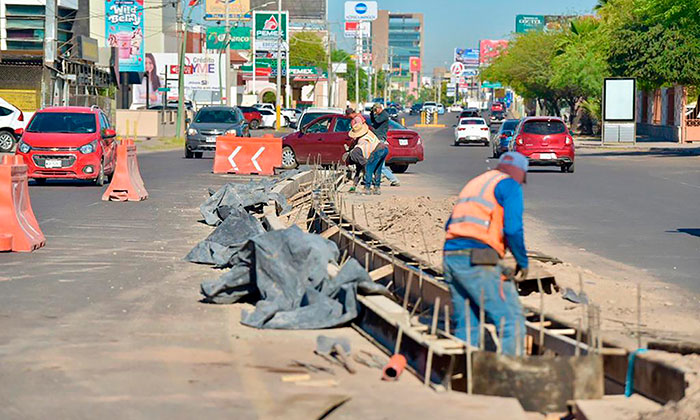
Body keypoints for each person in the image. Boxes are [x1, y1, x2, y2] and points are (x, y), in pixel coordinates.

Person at [443, 152, 529, 356]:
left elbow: (450, 224)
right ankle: (511, 376)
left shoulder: (478, 182)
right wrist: (522, 262)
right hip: (478, 258)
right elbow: (513, 229)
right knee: (511, 320)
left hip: (450, 256)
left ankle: (466, 375)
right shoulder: (509, 185)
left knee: (467, 322)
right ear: (520, 173)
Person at [348, 119, 387, 195]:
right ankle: (377, 188)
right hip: (384, 148)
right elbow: (358, 168)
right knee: (377, 169)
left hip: (377, 150)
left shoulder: (356, 150)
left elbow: (363, 165)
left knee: (368, 167)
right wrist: (354, 185)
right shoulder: (369, 133)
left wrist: (356, 184)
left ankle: (367, 188)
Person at [370, 103, 400, 186]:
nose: (375, 111)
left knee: (380, 164)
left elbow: (377, 121)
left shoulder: (384, 115)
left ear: (380, 108)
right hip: (377, 139)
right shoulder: (379, 115)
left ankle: (394, 180)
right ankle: (376, 179)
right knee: (377, 162)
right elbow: (373, 121)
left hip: (380, 140)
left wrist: (374, 114)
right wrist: (371, 113)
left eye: (376, 110)